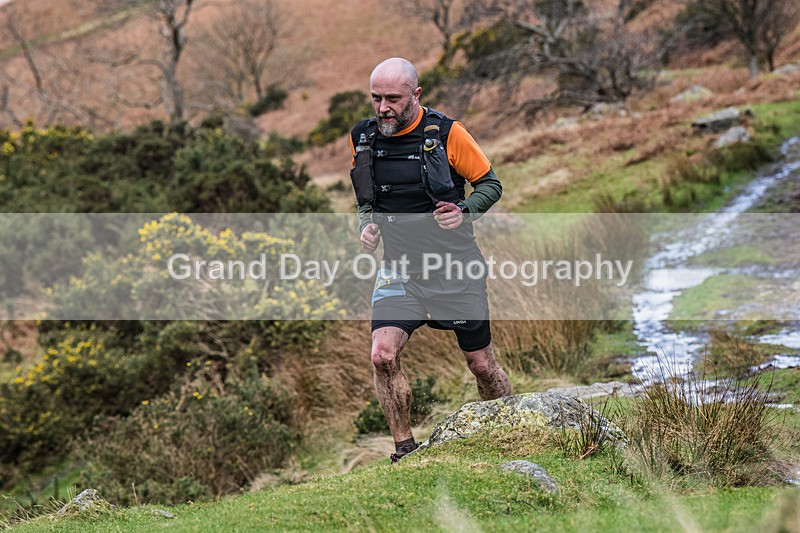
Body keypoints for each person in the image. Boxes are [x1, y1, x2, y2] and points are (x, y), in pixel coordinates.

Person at [349, 57, 513, 463]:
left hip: (456, 269)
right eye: (376, 99)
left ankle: (511, 429)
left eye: (392, 98)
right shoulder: (363, 137)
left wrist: (465, 212)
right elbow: (367, 201)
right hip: (399, 269)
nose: (383, 108)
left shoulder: (447, 133)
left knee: (480, 364)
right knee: (382, 355)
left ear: (416, 95)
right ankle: (405, 450)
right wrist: (367, 225)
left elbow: (490, 184)